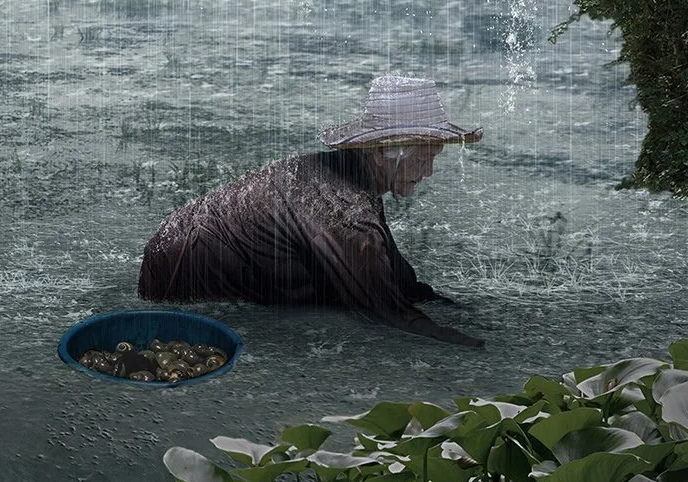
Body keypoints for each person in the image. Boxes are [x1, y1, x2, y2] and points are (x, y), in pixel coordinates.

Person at [138, 75, 485, 347]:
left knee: (321, 289)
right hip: (180, 276)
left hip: (178, 246)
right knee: (329, 299)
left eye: (432, 158)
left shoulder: (352, 176)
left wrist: (452, 307)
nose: (428, 172)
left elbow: (396, 275)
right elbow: (386, 311)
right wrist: (464, 342)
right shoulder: (346, 212)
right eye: (423, 158)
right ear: (382, 151)